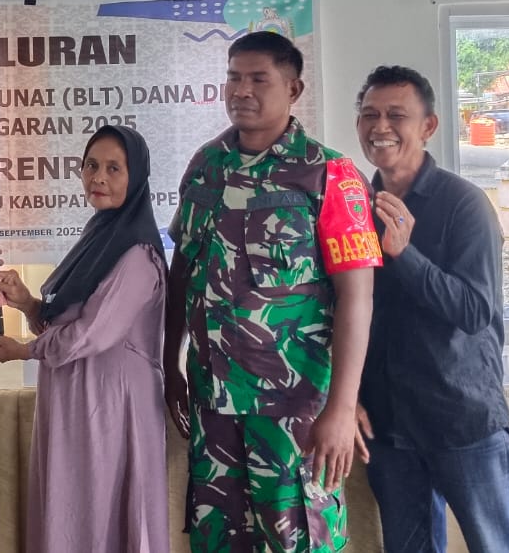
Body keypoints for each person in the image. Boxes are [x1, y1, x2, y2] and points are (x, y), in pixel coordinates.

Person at [162, 31, 383, 553]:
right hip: (213, 402)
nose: (241, 90)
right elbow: (182, 273)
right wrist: (170, 363)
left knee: (297, 540)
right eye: (233, 77)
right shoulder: (205, 166)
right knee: (219, 540)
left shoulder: (330, 173)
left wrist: (341, 406)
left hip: (294, 408)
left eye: (258, 79)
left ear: (293, 88)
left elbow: (357, 297)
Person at [353, 65, 509, 552]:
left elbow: (474, 311)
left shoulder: (464, 204)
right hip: (388, 423)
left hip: (460, 417)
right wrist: (350, 395)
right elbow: (343, 312)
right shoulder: (354, 206)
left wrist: (403, 254)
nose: (380, 127)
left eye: (396, 115)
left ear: (428, 126)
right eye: (369, 115)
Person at [0, 125, 170, 553]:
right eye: (91, 166)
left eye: (114, 168)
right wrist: (27, 303)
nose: (98, 177)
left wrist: (24, 351)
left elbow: (91, 334)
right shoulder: (99, 237)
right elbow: (64, 323)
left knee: (101, 509)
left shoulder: (137, 253)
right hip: (76, 395)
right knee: (73, 506)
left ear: (136, 176)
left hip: (112, 402)